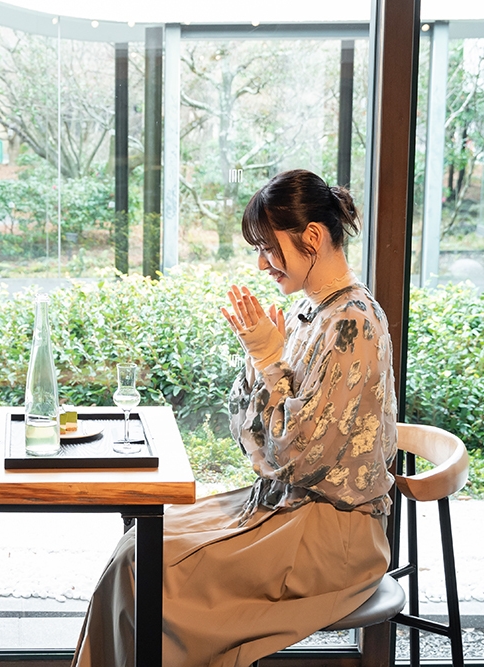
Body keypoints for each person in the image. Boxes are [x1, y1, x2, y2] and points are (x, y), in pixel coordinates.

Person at [71, 169, 398, 667]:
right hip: (283, 508)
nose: (262, 263)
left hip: (333, 535)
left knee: (148, 569)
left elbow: (296, 460)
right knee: (138, 545)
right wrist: (262, 356)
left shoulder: (352, 323)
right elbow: (253, 443)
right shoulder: (308, 313)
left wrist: (269, 362)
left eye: (269, 247)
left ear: (311, 237)